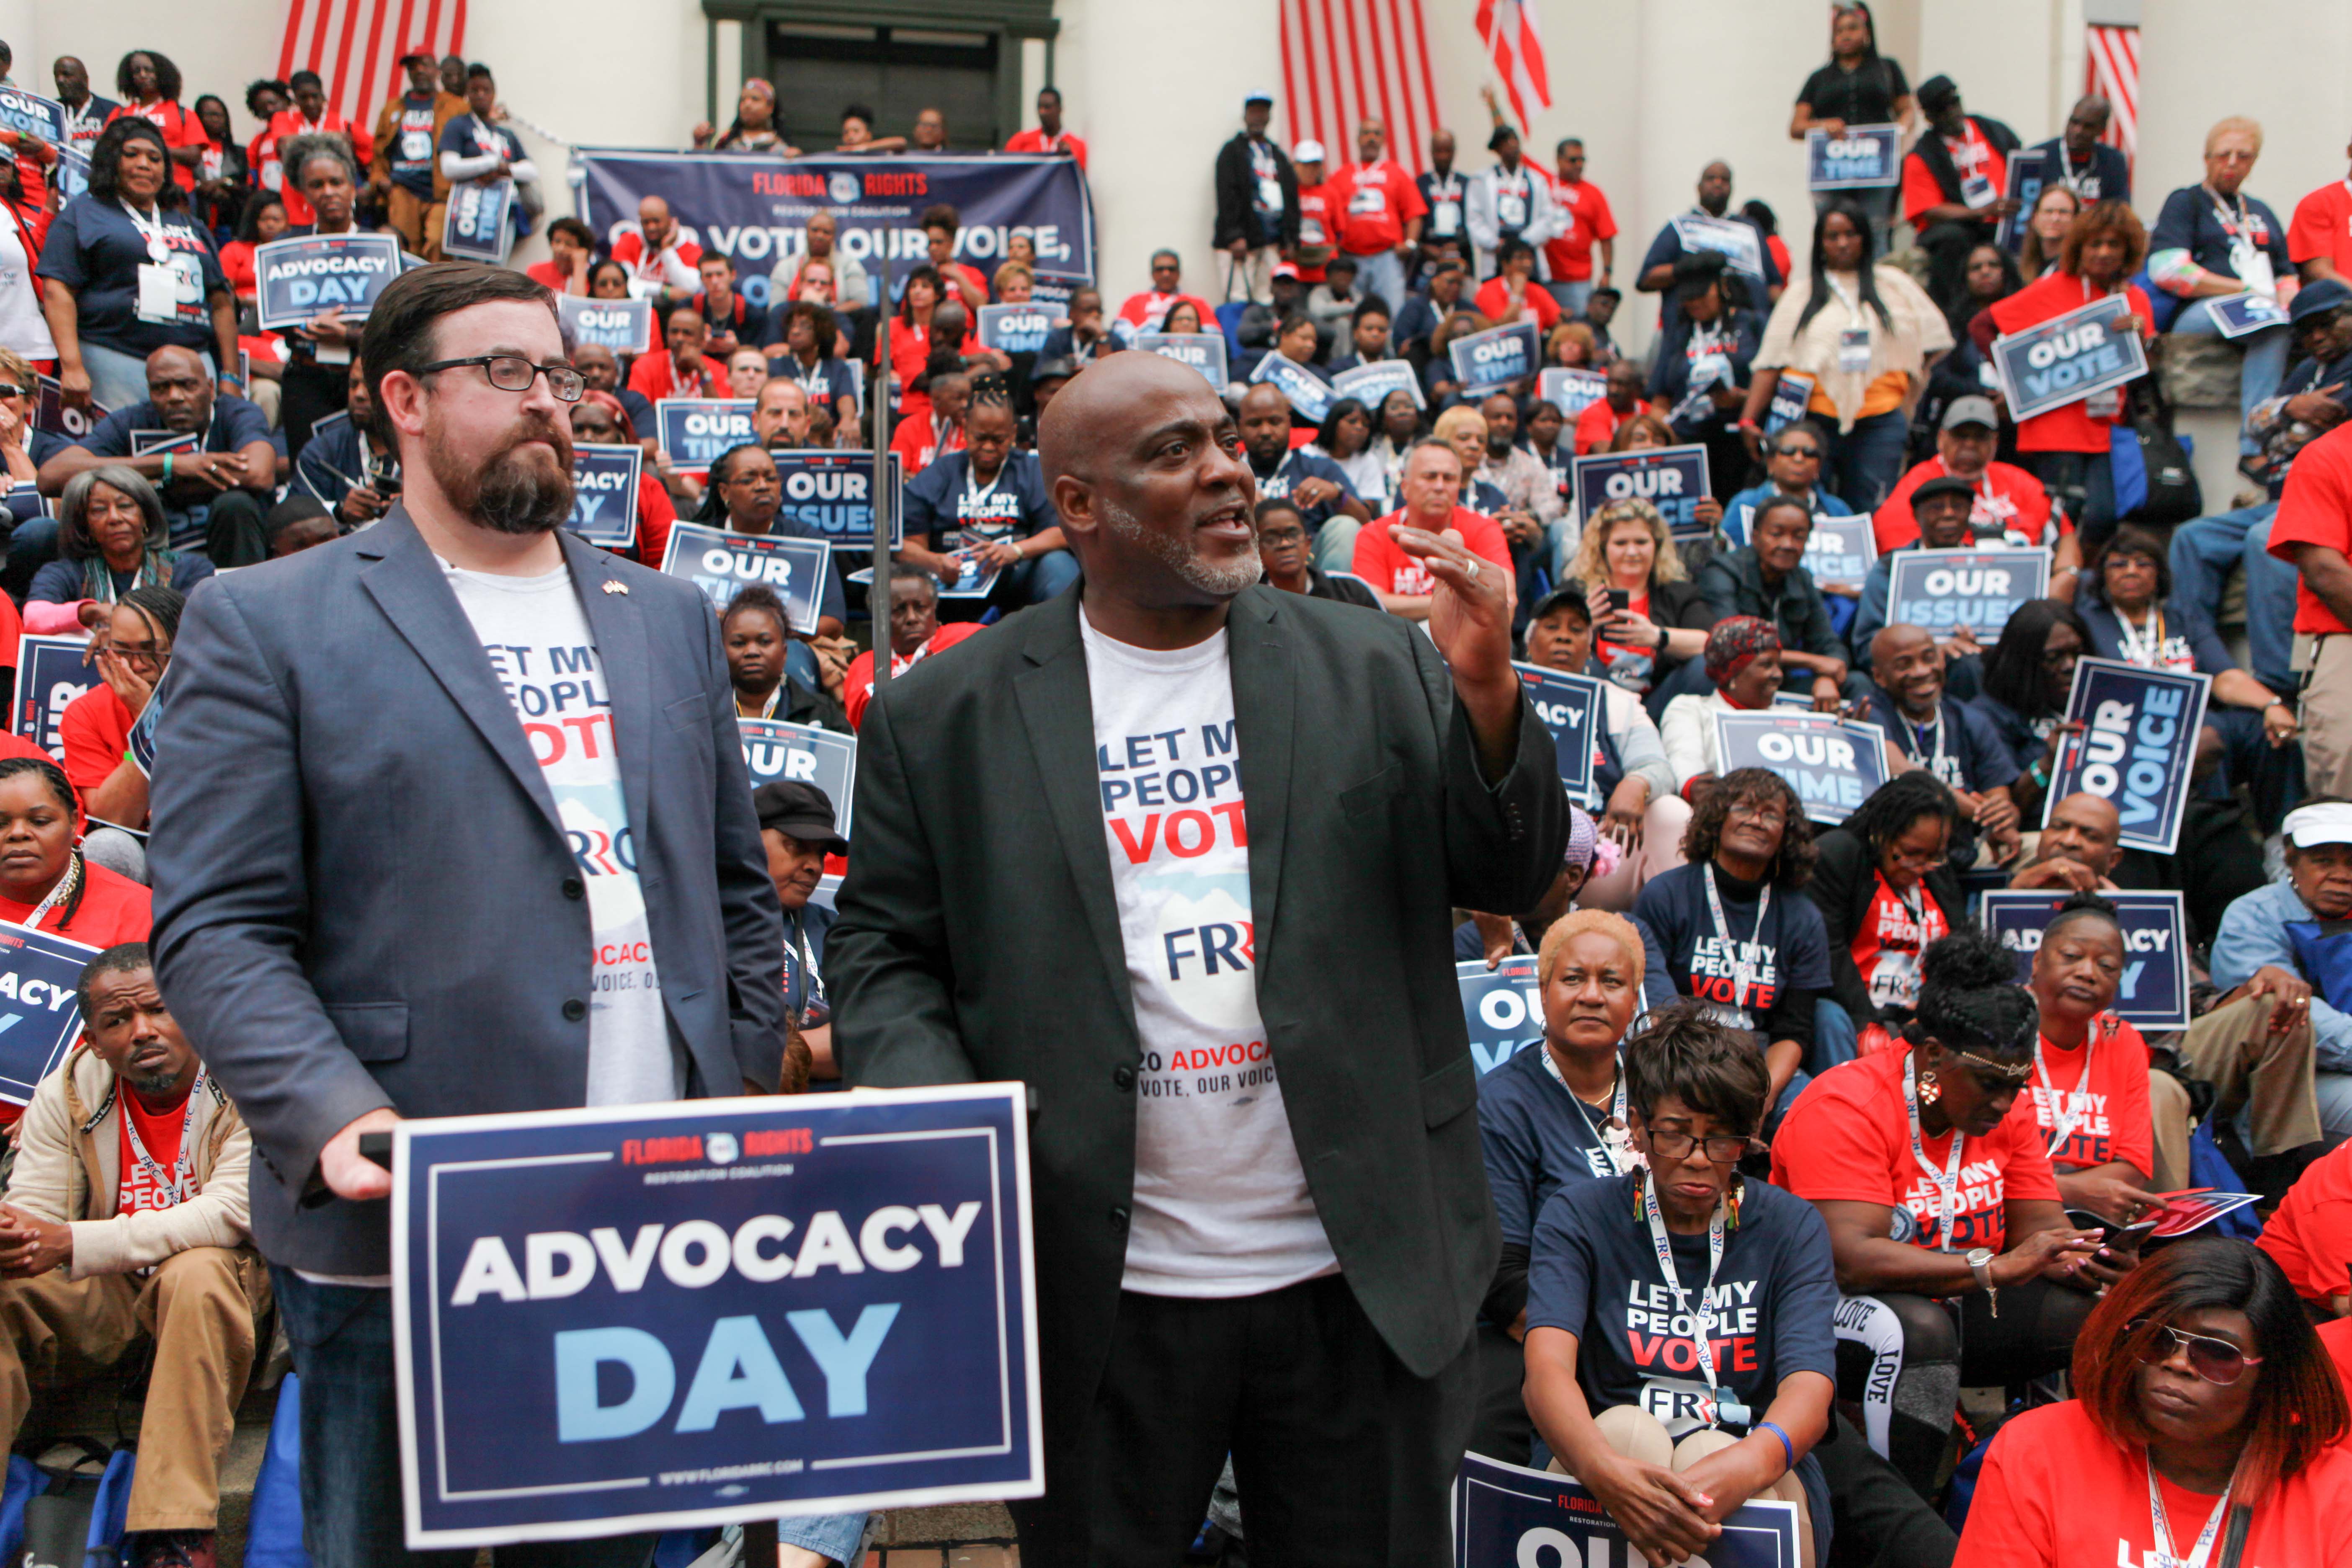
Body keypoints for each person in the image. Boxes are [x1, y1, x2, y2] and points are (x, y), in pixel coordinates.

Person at [827, 346, 1569, 1562]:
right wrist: (950, 1128)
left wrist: (1488, 692)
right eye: (1176, 454)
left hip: (1362, 1272)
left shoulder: (1373, 661)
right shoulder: (941, 716)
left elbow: (1501, 875)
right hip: (1093, 1287)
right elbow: (883, 951)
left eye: (1227, 439)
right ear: (1077, 507)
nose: (1229, 473)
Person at [147, 261, 787, 1566]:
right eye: (508, 374)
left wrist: (741, 1074)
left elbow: (735, 893)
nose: (551, 402)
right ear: (405, 401)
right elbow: (216, 923)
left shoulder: (665, 616)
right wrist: (332, 1113)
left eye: (563, 375)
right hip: (402, 1217)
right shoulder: (265, 619)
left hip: (639, 1215)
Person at [1772, 927, 2114, 1495]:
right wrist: (1993, 1267)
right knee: (1919, 1334)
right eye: (1988, 1083)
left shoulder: (2006, 1109)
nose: (2005, 1103)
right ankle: (1903, 1517)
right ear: (1933, 1056)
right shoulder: (1848, 1104)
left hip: (1956, 1295)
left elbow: (2040, 1225)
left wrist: (2084, 1256)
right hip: (1826, 1305)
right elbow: (1853, 1259)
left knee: (2093, 1311)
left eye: (2018, 1084)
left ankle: (2075, 1498)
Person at [1524, 1003, 1838, 1568]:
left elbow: (1809, 1394)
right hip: (1605, 1456)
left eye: (1721, 1141)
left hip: (1750, 1456)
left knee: (1715, 1448)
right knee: (1627, 1434)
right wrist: (1604, 1471)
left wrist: (1747, 1466)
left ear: (1748, 1140)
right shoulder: (1577, 1216)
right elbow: (1546, 1374)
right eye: (1675, 1136)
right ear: (1639, 1129)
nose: (1697, 1161)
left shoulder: (1792, 1227)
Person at [0, 941, 264, 1568]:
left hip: (232, 1285)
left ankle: (175, 1533)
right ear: (93, 1041)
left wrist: (75, 1241)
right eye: (118, 1021)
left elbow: (233, 1212)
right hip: (112, 1291)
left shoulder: (252, 1075)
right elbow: (39, 1221)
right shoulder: (66, 1090)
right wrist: (16, 1238)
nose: (143, 1031)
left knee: (195, 1272)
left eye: (158, 1010)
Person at [1953, 1238, 2352, 1568]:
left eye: (2217, 1353)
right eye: (2156, 1337)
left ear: (2271, 1376)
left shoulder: (2337, 1492)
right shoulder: (2038, 1449)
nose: (2177, 1363)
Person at [1468, 907, 1645, 1462]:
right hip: (1539, 1330)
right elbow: (1503, 1278)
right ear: (1542, 995)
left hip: (1667, 1324)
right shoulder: (1502, 1102)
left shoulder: (1661, 1090)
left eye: (1611, 981)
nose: (1592, 995)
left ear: (1635, 998)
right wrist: (1613, 1351)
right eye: (1573, 979)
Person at [2171, 277, 2352, 701]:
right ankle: (2195, 661)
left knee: (2264, 539)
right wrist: (2290, 408)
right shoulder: (2309, 371)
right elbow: (2255, 426)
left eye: (2327, 324)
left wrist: (2281, 422)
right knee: (2193, 538)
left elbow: (2320, 426)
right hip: (2278, 496)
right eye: (2307, 331)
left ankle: (2276, 682)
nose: (2317, 337)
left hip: (2322, 503)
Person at [1633, 764, 1827, 1128]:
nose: (1756, 820)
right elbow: (1653, 1008)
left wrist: (1763, 1100)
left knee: (1814, 1117)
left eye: (1770, 814)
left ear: (1786, 834)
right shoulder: (1667, 894)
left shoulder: (1803, 917)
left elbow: (1794, 1032)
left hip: (1759, 1063)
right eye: (1743, 808)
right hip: (1678, 1052)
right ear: (1718, 819)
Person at [2075, 527, 2298, 828]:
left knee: (2267, 732)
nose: (2131, 572)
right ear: (2103, 575)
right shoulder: (2087, 622)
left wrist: (2271, 704)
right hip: (2128, 729)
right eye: (2119, 564)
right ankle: (2214, 831)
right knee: (2202, 734)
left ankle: (2279, 836)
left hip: (2196, 718)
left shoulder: (2182, 619)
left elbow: (2225, 677)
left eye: (2143, 564)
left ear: (2159, 575)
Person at [1742, 199, 1952, 513]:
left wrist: (1906, 381)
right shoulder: (1801, 293)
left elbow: (1935, 339)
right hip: (1813, 420)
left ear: (1865, 238)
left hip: (1880, 420)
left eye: (1851, 234)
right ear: (1821, 243)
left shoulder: (1895, 285)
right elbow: (1770, 362)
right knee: (1806, 507)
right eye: (1833, 236)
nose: (1842, 243)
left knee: (1874, 510)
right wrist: (1748, 417)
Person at [38, 118, 240, 415]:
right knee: (124, 459)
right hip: (114, 359)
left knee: (197, 458)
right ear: (111, 161)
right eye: (132, 154)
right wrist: (72, 366)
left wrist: (231, 375)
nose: (145, 164)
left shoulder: (189, 224)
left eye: (155, 158)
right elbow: (58, 290)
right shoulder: (82, 214)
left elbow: (221, 303)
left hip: (192, 365)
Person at [1519, 586, 1689, 911]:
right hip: (1516, 844)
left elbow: (1658, 766)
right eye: (1552, 627)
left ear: (1590, 646)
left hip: (1595, 857)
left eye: (1577, 629)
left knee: (1670, 812)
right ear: (1529, 641)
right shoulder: (1501, 688)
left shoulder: (1617, 701)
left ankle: (1670, 938)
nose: (1565, 638)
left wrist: (1637, 784)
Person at [37, 346, 276, 566]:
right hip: (152, 553)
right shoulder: (131, 421)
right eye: (161, 388)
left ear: (211, 389)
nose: (175, 396)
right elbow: (50, 477)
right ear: (150, 392)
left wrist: (171, 486)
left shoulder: (236, 413)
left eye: (187, 385)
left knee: (235, 505)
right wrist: (170, 464)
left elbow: (258, 473)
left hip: (226, 547)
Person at [2011, 892, 2166, 1223]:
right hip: (2007, 1215)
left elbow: (2134, 1168)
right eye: (2071, 956)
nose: (2087, 973)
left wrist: (2057, 1190)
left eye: (2107, 966)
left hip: (2095, 1220)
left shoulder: (2123, 1039)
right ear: (2038, 961)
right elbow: (1981, 1166)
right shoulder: (2000, 1027)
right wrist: (2070, 1192)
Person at [2209, 799, 2352, 1144]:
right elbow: (2294, 1015)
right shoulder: (2253, 914)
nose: (2342, 876)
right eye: (2323, 862)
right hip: (2290, 1083)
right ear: (2290, 859)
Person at [2151, 118, 2296, 454]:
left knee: (2288, 325)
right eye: (2224, 155)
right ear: (2207, 158)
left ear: (2254, 161)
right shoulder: (2187, 202)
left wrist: (2287, 299)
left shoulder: (2260, 210)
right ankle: (2255, 444)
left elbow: (2286, 273)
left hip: (2261, 304)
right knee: (2271, 325)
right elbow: (2167, 268)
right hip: (2203, 308)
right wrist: (2242, 291)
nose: (2232, 164)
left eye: (2243, 156)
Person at [1808, 772, 1966, 1070]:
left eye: (1934, 856)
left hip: (1923, 1018)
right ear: (1881, 832)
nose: (1921, 867)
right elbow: (1829, 951)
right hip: (1854, 1011)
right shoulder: (1840, 855)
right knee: (1827, 1017)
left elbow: (1961, 948)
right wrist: (1867, 1023)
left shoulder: (1935, 873)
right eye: (1910, 854)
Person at [900, 377, 1076, 610]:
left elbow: (1062, 532)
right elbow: (903, 544)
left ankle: (1061, 640)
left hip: (1014, 574)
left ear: (1013, 434)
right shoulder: (940, 473)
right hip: (951, 579)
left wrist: (1016, 551)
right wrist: (935, 562)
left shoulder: (1031, 470)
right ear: (965, 430)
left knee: (1059, 564)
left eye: (999, 439)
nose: (989, 447)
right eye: (980, 438)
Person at [1862, 624, 2024, 867]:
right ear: (1879, 677)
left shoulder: (1971, 719)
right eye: (1904, 664)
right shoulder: (1871, 712)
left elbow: (1998, 800)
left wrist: (2002, 816)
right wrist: (1981, 814)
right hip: (1899, 855)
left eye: (1929, 658)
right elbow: (1904, 772)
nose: (1921, 671)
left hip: (1967, 847)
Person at [273, 134, 381, 455]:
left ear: (352, 186)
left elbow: (396, 326)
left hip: (365, 377)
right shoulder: (288, 246)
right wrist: (305, 326)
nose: (328, 192)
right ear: (304, 192)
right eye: (317, 185)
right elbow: (274, 318)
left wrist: (348, 335)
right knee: (308, 467)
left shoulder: (381, 246)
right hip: (308, 377)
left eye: (337, 182)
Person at [1694, 498, 1856, 709]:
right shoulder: (1724, 571)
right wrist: (1815, 663)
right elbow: (1732, 645)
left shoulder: (1802, 578)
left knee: (1856, 683)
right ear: (1755, 537)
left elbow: (1830, 645)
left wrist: (1827, 678)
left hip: (1780, 680)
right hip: (1737, 681)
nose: (1788, 544)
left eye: (1799, 537)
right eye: (1777, 534)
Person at [1875, 397, 2066, 560]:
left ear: (1995, 443)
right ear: (1941, 439)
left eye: (1980, 437)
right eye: (1960, 436)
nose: (1970, 444)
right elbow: (1896, 546)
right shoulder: (1920, 483)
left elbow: (2065, 533)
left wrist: (2068, 572)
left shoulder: (2019, 480)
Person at [1790, 2, 1913, 254]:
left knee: (1875, 228)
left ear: (1867, 32)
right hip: (1831, 169)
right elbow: (1796, 126)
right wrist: (1823, 125)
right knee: (1832, 229)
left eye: (1853, 28)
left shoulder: (1887, 69)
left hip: (1876, 166)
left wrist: (1900, 130)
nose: (1846, 35)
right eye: (1840, 31)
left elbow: (1907, 110)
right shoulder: (1819, 79)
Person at [26, 467, 212, 633]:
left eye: (125, 506)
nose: (114, 518)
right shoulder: (67, 573)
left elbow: (197, 620)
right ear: (85, 526)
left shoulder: (192, 569)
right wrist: (90, 612)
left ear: (146, 516)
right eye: (99, 510)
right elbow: (35, 619)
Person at [59, 583, 179, 831]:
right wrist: (146, 720)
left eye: (151, 650)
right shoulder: (85, 712)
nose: (135, 665)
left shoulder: (217, 698)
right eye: (122, 651)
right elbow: (113, 821)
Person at [695, 443, 847, 637]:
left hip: (787, 648)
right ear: (725, 492)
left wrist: (768, 634)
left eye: (771, 478)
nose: (763, 486)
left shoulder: (806, 539)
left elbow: (833, 622)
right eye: (749, 479)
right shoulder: (699, 540)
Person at [1352, 437, 1511, 619]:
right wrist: (1459, 603)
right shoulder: (1374, 534)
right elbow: (1371, 607)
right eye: (1430, 477)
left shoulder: (1483, 528)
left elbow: (1504, 600)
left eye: (1449, 478)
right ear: (1405, 488)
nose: (1439, 487)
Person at [1572, 497, 1712, 701]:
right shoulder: (1577, 592)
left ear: (1657, 546)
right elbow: (1538, 643)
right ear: (1603, 548)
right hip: (1599, 701)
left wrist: (1658, 637)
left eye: (1641, 542)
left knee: (1705, 665)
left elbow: (1713, 642)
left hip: (1660, 703)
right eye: (1621, 543)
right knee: (1584, 665)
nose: (1632, 552)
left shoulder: (1679, 593)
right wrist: (1582, 626)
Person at [1901, 75, 2022, 305]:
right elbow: (1930, 210)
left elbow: (2021, 164)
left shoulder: (1993, 130)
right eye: (1942, 109)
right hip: (1960, 228)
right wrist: (1980, 212)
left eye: (1955, 103)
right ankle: (1956, 312)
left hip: (2004, 218)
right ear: (1929, 117)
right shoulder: (1922, 154)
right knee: (1952, 239)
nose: (1952, 112)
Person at [1647, 254, 1760, 495]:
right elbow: (1660, 396)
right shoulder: (1679, 333)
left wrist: (1743, 399)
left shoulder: (1751, 323)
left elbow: (1772, 381)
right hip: (1688, 442)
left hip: (1738, 442)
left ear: (1722, 288)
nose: (1695, 303)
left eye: (1702, 296)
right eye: (1689, 299)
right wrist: (1665, 437)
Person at [1852, 472, 2002, 653]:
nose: (1949, 514)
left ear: (1970, 514)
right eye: (1937, 508)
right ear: (1916, 515)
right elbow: (1866, 644)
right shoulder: (1889, 569)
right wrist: (1931, 652)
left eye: (1958, 507)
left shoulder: (1989, 568)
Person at [1637, 162, 1783, 333]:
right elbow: (1646, 279)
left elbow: (1773, 285)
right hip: (1690, 337)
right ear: (1698, 187)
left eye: (1725, 180)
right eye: (1711, 178)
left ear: (1732, 188)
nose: (1718, 183)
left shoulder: (1751, 230)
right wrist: (1685, 268)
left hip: (1748, 335)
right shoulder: (1680, 226)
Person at [367, 44, 463, 261]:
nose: (419, 70)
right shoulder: (393, 108)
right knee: (403, 250)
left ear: (436, 71)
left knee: (439, 244)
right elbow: (379, 151)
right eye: (413, 67)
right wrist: (380, 179)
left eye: (425, 65)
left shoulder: (456, 106)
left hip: (441, 192)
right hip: (402, 189)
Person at [1329, 117, 1425, 314]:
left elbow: (1414, 212)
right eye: (1366, 133)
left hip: (1387, 257)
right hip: (1351, 259)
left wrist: (1411, 244)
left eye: (1377, 134)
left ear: (1384, 141)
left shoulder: (1396, 172)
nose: (1371, 139)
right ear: (1358, 139)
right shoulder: (1341, 175)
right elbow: (1329, 215)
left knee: (1392, 312)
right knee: (1353, 314)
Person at [722, 580, 843, 731]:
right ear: (721, 652)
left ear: (784, 653)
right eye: (739, 643)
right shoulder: (699, 713)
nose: (752, 652)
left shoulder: (822, 714)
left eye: (765, 642)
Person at [1212, 91, 1296, 305]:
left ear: (1269, 117)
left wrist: (1291, 239)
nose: (1258, 117)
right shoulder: (1232, 151)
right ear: (1246, 116)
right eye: (1254, 112)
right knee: (1238, 297)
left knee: (1268, 298)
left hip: (1271, 242)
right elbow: (1226, 194)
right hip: (1242, 243)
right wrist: (1234, 235)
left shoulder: (1277, 154)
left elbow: (1291, 197)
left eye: (1263, 112)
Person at [1723, 419, 1858, 552]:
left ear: (1819, 466)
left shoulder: (1838, 509)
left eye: (1809, 453)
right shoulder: (1745, 504)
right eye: (1789, 451)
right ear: (1770, 463)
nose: (1799, 459)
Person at [1252, 496, 1380, 613]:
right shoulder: (1248, 600)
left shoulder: (1351, 591)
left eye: (1293, 534)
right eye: (1271, 539)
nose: (1285, 544)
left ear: (1308, 543)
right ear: (1257, 550)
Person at [104, 51, 209, 194]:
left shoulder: (184, 114)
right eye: (137, 71)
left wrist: (155, 149)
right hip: (128, 191)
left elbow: (194, 156)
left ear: (162, 73)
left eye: (149, 70)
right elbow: (106, 150)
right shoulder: (120, 113)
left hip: (176, 192)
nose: (142, 75)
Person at [1467, 123, 1560, 284]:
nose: (1513, 146)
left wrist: (1523, 244)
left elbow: (1547, 218)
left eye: (1515, 141)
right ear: (1497, 149)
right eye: (1506, 143)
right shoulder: (1482, 180)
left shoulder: (1537, 180)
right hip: (1495, 256)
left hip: (1529, 256)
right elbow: (1474, 219)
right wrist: (1496, 244)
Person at [1542, 137, 1616, 317]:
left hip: (1577, 280)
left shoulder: (1594, 193)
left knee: (1576, 329)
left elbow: (1606, 237)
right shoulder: (1543, 182)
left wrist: (1607, 273)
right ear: (1559, 160)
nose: (1579, 165)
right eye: (1573, 160)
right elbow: (1512, 147)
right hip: (1543, 275)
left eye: (1582, 160)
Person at [2026, 95, 2131, 208]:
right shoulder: (2036, 157)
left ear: (2101, 130)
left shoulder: (2113, 161)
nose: (2078, 131)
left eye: (2088, 127)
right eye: (2074, 122)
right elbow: (2024, 208)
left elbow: (2120, 211)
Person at [766, 209, 871, 315]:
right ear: (807, 232)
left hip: (836, 322)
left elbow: (861, 302)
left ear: (834, 237)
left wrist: (824, 316)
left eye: (827, 232)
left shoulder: (850, 265)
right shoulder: (785, 266)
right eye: (815, 230)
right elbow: (776, 307)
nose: (820, 236)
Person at [609, 193, 701, 301]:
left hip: (674, 310)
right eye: (646, 222)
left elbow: (691, 289)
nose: (651, 228)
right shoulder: (628, 241)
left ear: (670, 221)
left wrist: (667, 250)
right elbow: (622, 284)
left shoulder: (690, 249)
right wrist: (664, 291)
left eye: (657, 221)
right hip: (637, 306)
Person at [691, 76, 797, 155]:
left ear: (770, 107)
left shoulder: (781, 147)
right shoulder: (725, 141)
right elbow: (707, 174)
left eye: (755, 99)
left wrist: (795, 160)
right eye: (743, 100)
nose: (747, 104)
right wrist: (699, 144)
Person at [691, 253, 758, 362]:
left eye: (720, 274)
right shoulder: (689, 308)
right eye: (708, 276)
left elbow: (758, 357)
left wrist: (737, 349)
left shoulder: (752, 314)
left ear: (733, 275)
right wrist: (699, 345)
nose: (715, 281)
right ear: (701, 279)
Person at [1576, 358, 1647, 456]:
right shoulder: (1594, 412)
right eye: (1610, 383)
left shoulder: (1647, 410)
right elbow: (1608, 456)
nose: (1613, 390)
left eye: (1621, 384)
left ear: (1638, 389)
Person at [1002, 83, 1083, 167]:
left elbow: (1080, 176)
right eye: (1040, 107)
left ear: (1060, 109)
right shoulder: (1020, 141)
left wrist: (1069, 158)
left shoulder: (1076, 146)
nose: (1042, 112)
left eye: (1047, 107)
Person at [2014, 183, 2082, 281]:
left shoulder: (2078, 267)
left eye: (2063, 212)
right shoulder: (2021, 267)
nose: (2055, 218)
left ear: (2076, 219)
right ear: (2035, 218)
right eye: (2048, 212)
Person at [53, 56, 118, 153]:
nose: (60, 81)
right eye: (56, 76)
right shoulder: (52, 110)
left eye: (66, 75)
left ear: (85, 79)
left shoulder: (112, 110)